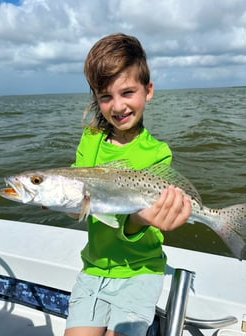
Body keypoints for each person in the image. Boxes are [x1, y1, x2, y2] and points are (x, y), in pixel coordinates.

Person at [64, 33, 191, 336]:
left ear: (148, 91)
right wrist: (59, 200)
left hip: (141, 270)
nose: (117, 106)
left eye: (127, 92)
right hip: (94, 268)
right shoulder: (90, 139)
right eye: (106, 96)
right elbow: (76, 206)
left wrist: (137, 220)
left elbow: (141, 224)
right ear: (96, 98)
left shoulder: (157, 152)